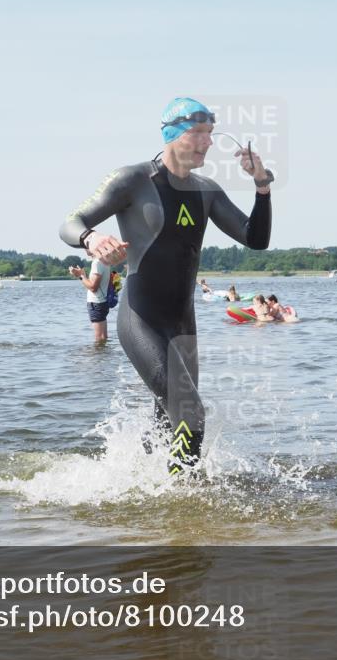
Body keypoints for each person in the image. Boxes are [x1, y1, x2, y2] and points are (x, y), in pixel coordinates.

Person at [59, 96, 273, 474]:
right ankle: (183, 500)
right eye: (199, 133)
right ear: (172, 134)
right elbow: (70, 222)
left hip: (183, 327)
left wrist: (261, 187)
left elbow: (255, 238)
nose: (208, 143)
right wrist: (92, 239)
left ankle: (143, 489)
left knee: (169, 420)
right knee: (192, 414)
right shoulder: (133, 180)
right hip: (141, 319)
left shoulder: (206, 190)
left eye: (211, 133)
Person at [69, 254, 111, 343]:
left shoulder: (97, 262)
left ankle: (98, 357)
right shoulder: (104, 259)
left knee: (99, 339)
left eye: (87, 245)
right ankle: (104, 356)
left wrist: (81, 276)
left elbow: (93, 287)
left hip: (96, 303)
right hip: (102, 301)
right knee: (103, 337)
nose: (85, 248)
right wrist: (83, 275)